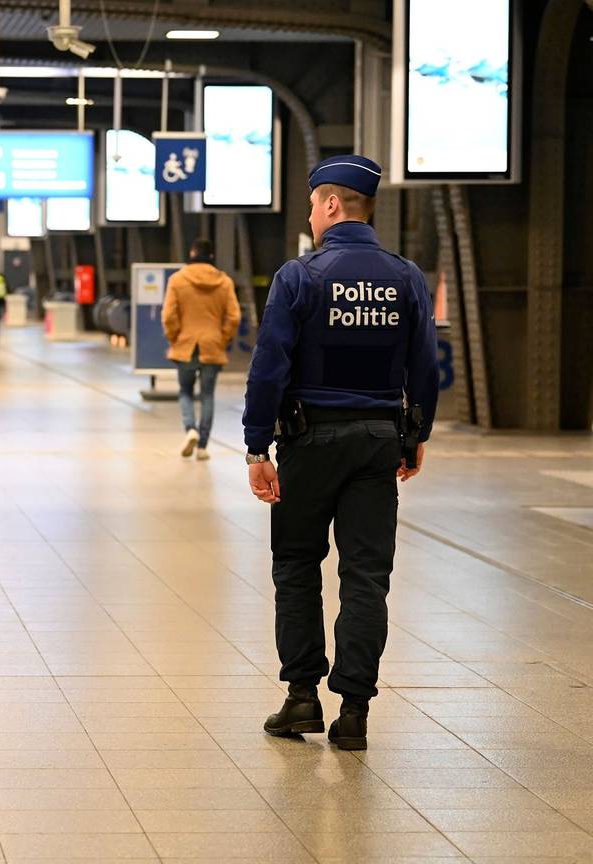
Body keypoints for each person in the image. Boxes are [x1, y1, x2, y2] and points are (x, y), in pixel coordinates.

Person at [244, 155, 438, 752]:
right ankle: (353, 710)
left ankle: (302, 697)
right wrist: (415, 434)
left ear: (330, 206)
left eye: (311, 204)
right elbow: (424, 367)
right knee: (366, 576)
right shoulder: (405, 277)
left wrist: (257, 446)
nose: (310, 214)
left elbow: (270, 366)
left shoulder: (299, 277)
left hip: (308, 440)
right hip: (378, 441)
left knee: (298, 567)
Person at [162, 238, 241, 461]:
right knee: (207, 395)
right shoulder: (224, 281)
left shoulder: (177, 280)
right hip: (213, 345)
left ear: (192, 253)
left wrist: (174, 336)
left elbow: (169, 315)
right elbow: (234, 316)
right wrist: (222, 337)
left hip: (185, 344)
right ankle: (203, 446)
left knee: (185, 392)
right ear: (212, 256)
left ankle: (190, 430)